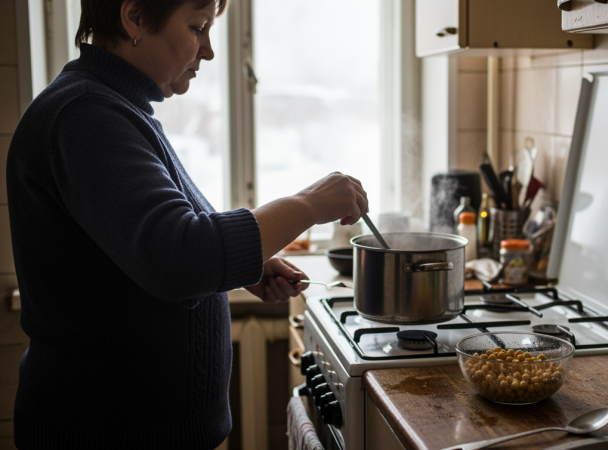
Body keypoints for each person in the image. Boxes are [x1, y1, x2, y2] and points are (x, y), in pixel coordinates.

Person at [6, 0, 368, 448]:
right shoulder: (86, 116)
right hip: (108, 433)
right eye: (198, 27)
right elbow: (178, 257)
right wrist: (309, 204)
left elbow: (135, 251)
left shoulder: (114, 107)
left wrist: (242, 262)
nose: (209, 50)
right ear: (134, 16)